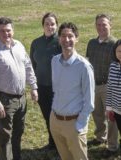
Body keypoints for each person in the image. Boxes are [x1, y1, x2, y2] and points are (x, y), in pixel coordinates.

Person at [0, 17, 38, 160]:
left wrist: (33, 87)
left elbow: (28, 66)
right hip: (4, 101)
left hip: (21, 98)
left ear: (13, 30)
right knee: (5, 135)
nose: (6, 33)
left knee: (18, 132)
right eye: (2, 31)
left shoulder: (19, 45)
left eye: (8, 30)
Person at [50, 22, 95, 160]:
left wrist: (79, 125)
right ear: (59, 39)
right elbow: (56, 90)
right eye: (63, 36)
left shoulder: (84, 66)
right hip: (55, 121)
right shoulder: (54, 61)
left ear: (76, 39)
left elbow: (89, 102)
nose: (66, 39)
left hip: (74, 124)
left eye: (70, 36)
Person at [86, 13, 119, 155]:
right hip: (94, 84)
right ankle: (100, 137)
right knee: (97, 114)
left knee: (111, 117)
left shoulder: (115, 44)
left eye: (104, 24)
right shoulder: (91, 43)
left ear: (110, 25)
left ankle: (112, 146)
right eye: (98, 25)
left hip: (109, 86)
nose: (101, 27)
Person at [30, 12, 61, 150]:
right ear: (43, 26)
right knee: (47, 115)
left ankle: (61, 143)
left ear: (57, 25)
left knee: (58, 117)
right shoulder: (36, 43)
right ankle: (53, 142)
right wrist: (34, 86)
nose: (50, 26)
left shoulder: (61, 42)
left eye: (52, 24)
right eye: (47, 24)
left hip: (58, 88)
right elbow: (32, 65)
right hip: (42, 86)